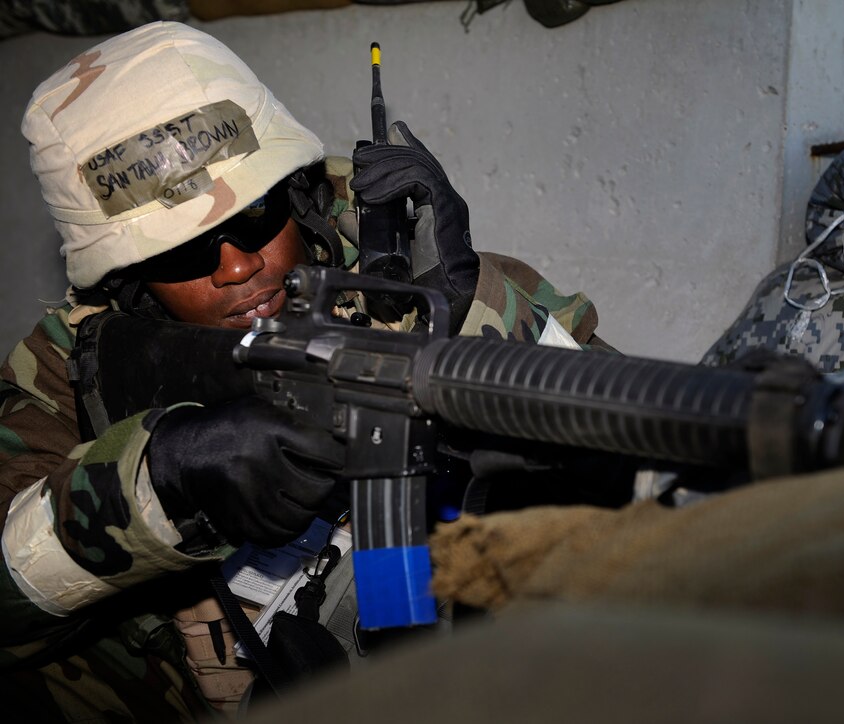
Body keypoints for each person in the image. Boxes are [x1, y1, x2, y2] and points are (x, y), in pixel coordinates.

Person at [0, 21, 609, 721]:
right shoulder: (66, 374)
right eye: (179, 254)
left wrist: (470, 312)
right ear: (127, 283)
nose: (236, 267)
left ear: (296, 193)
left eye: (257, 215)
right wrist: (154, 487)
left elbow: (624, 432)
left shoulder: (406, 264)